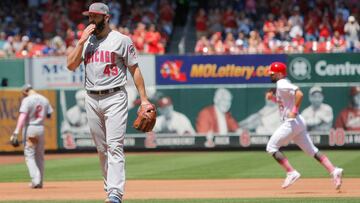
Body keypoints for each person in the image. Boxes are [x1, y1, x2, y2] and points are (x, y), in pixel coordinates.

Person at [67, 3, 152, 203]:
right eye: (89, 16)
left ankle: (115, 193)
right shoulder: (87, 42)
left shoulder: (121, 40)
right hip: (91, 97)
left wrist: (144, 99)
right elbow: (70, 65)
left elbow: (135, 70)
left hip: (115, 97)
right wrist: (80, 42)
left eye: (95, 16)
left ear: (106, 17)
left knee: (114, 146)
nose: (91, 20)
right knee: (101, 148)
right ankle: (110, 188)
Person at [265, 62, 343, 190]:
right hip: (298, 122)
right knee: (312, 151)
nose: (270, 76)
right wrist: (273, 99)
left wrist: (294, 110)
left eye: (272, 74)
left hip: (291, 122)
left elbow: (299, 94)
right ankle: (334, 170)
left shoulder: (281, 83)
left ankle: (291, 172)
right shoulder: (281, 85)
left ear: (279, 74)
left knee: (271, 147)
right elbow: (285, 104)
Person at [10, 84, 53, 189]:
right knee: (40, 156)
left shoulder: (27, 100)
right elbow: (49, 114)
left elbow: (23, 116)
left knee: (29, 155)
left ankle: (36, 180)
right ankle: (40, 181)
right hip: (41, 128)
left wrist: (16, 132)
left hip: (30, 128)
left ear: (25, 91)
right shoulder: (44, 99)